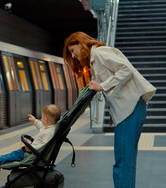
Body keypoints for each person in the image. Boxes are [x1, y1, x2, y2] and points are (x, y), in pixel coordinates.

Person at [63, 31, 156, 188]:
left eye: (73, 51)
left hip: (130, 109)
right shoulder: (93, 61)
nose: (73, 56)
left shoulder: (100, 53)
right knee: (126, 161)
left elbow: (126, 69)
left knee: (123, 162)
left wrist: (102, 86)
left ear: (80, 43)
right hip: (128, 111)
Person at [0, 104, 61, 172]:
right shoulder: (48, 128)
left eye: (41, 117)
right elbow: (41, 126)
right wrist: (34, 121)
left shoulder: (49, 132)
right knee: (14, 154)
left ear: (45, 119)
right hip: (32, 152)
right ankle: (0, 158)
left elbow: (44, 147)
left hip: (32, 154)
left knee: (14, 155)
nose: (41, 119)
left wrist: (32, 147)